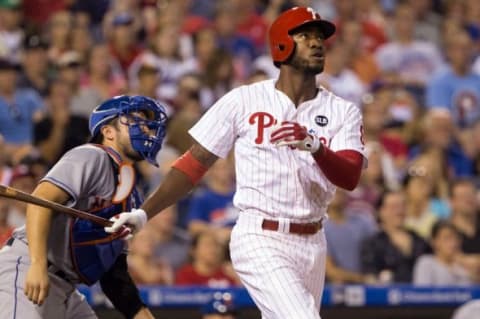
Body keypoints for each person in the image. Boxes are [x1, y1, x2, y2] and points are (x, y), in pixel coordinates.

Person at [106, 7, 366, 319]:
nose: (317, 42)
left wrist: (315, 147)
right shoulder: (243, 100)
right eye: (305, 35)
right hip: (260, 235)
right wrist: (144, 214)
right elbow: (193, 165)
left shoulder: (342, 110)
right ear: (282, 43)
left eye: (320, 36)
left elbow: (350, 176)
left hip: (313, 240)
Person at [0, 95, 167, 319]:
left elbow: (113, 272)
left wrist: (141, 314)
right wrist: (37, 265)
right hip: (28, 267)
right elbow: (40, 203)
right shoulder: (92, 155)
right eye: (136, 121)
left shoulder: (132, 197)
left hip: (67, 289)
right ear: (108, 131)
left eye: (147, 124)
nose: (146, 130)